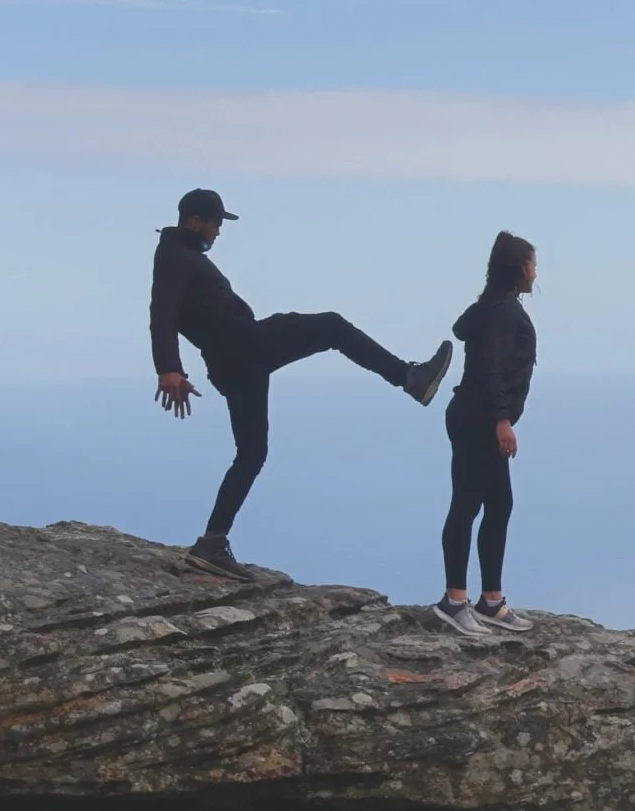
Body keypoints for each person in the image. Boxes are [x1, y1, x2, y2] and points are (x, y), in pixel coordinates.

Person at [153, 188, 454, 579]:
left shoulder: (182, 256)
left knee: (252, 453)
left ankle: (212, 543)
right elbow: (161, 313)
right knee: (331, 326)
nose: (218, 232)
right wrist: (168, 368)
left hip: (234, 363)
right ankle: (410, 378)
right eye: (214, 223)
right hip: (244, 347)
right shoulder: (175, 256)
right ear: (194, 220)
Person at [433, 232, 537, 635]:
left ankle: (491, 601)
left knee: (498, 504)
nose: (535, 272)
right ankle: (454, 602)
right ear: (517, 268)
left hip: (471, 416)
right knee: (468, 504)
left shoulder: (489, 307)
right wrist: (502, 419)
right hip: (480, 420)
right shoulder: (504, 312)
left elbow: (464, 329)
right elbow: (491, 367)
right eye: (531, 264)